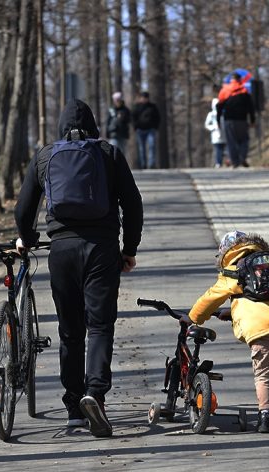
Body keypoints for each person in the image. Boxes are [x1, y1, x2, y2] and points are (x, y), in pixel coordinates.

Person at [14, 98, 144, 438]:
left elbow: (24, 207)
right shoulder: (108, 153)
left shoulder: (45, 156)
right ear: (94, 124)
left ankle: (74, 407)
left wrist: (26, 237)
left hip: (62, 250)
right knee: (100, 325)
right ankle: (95, 395)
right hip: (101, 249)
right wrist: (128, 249)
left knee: (70, 330)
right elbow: (132, 203)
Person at [179, 231, 269, 433]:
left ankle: (265, 416)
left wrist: (193, 318)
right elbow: (260, 298)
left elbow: (211, 298)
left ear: (226, 251)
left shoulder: (232, 270)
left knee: (263, 372)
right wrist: (232, 312)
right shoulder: (266, 263)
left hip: (259, 328)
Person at [217, 73, 255, 168]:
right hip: (242, 119)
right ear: (240, 79)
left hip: (228, 120)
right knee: (244, 140)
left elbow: (219, 106)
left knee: (231, 141)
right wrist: (252, 120)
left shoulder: (225, 90)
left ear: (231, 79)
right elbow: (251, 107)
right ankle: (242, 157)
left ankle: (235, 162)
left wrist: (218, 120)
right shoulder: (244, 90)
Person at [131, 91, 161, 169]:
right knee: (142, 148)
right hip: (140, 130)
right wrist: (136, 127)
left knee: (151, 146)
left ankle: (151, 164)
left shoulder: (152, 107)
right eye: (143, 98)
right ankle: (143, 164)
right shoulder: (137, 107)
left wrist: (155, 127)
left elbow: (158, 117)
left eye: (146, 98)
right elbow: (133, 117)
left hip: (151, 130)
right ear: (140, 98)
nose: (144, 99)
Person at [204, 98, 227, 168]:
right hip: (216, 134)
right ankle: (218, 162)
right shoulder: (211, 114)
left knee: (226, 149)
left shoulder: (224, 113)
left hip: (224, 133)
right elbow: (206, 124)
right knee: (218, 149)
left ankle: (227, 162)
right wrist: (213, 127)